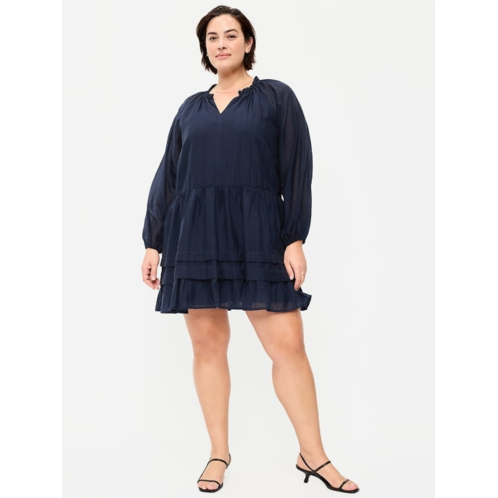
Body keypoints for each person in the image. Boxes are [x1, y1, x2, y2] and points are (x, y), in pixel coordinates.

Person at [141, 5, 360, 494]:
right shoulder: (189, 109)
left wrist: (294, 236)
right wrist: (153, 241)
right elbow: (169, 177)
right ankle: (218, 453)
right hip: (195, 234)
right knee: (207, 345)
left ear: (248, 42)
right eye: (212, 37)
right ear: (205, 48)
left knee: (288, 346)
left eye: (230, 35)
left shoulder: (276, 97)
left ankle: (313, 454)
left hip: (258, 232)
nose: (221, 44)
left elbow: (296, 169)